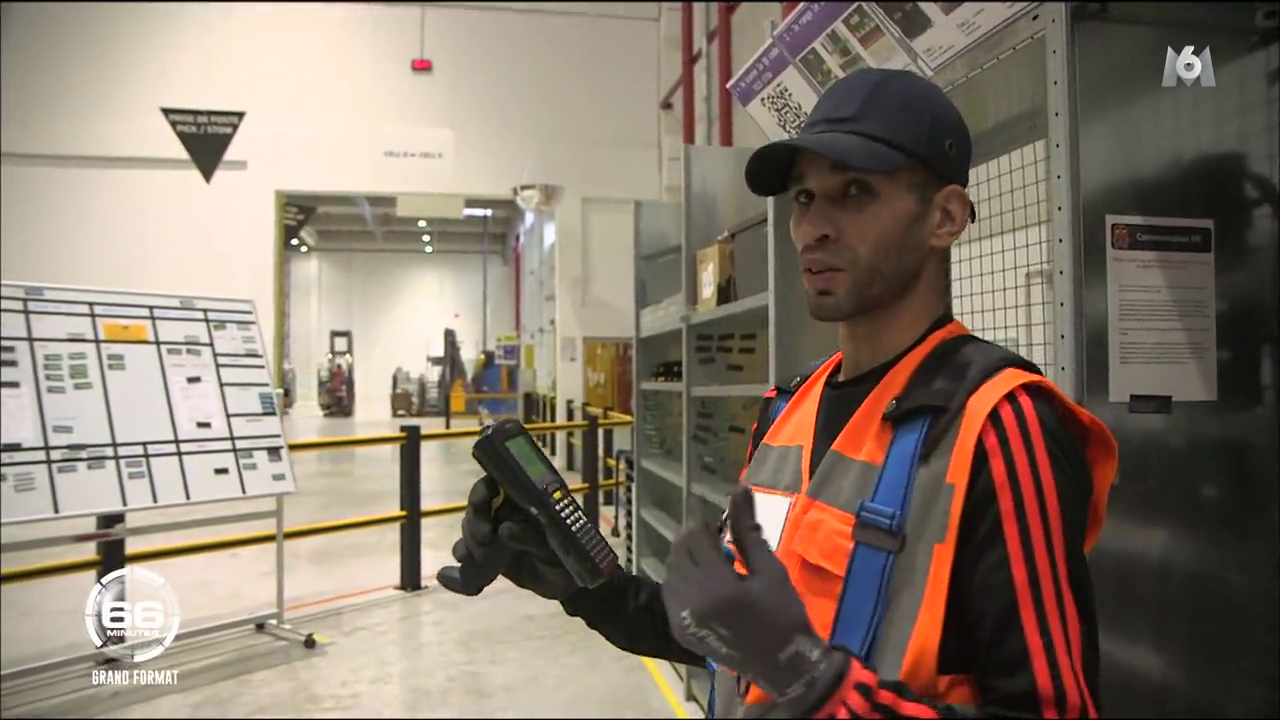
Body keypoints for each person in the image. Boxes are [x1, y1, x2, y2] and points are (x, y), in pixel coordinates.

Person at [437, 68, 1119, 719]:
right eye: (804, 198)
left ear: (945, 217)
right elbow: (729, 644)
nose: (813, 227)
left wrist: (805, 676)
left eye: (855, 192)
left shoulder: (1001, 429)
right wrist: (592, 590)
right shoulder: (788, 409)